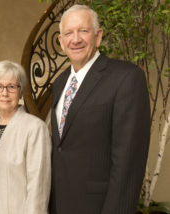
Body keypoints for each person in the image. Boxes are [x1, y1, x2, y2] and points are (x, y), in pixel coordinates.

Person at [50, 4, 151, 214]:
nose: (75, 39)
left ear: (98, 36)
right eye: (68, 33)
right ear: (61, 41)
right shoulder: (59, 84)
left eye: (83, 31)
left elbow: (128, 163)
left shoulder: (126, 78)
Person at [0, 60, 51, 214]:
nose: (4, 93)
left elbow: (39, 185)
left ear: (21, 91)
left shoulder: (35, 128)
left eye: (11, 87)